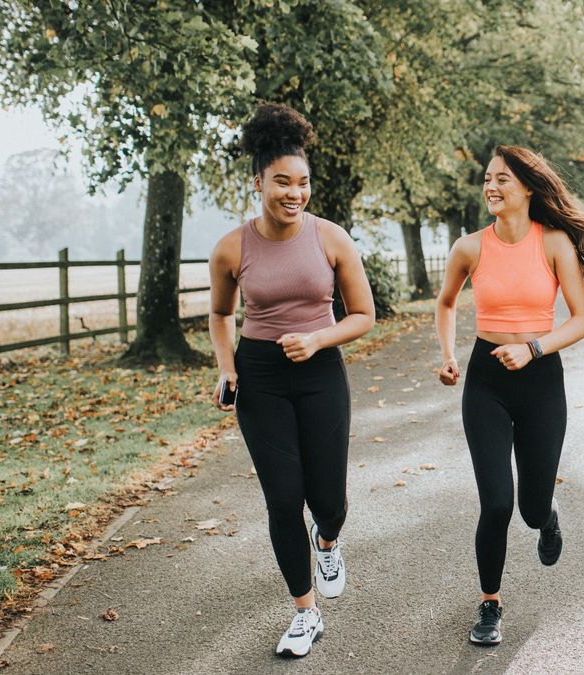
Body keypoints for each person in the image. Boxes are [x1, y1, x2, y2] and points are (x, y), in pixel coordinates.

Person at [435, 145, 584, 645]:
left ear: (526, 187)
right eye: (487, 179)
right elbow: (446, 303)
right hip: (486, 382)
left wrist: (533, 348)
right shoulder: (470, 247)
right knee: (497, 502)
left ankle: (548, 516)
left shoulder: (555, 244)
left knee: (530, 506)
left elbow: (582, 320)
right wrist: (448, 355)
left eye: (502, 179)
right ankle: (489, 605)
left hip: (541, 380)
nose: (491, 187)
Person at [208, 103, 375, 657]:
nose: (294, 193)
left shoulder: (330, 238)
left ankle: (327, 540)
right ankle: (305, 613)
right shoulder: (233, 248)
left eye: (302, 182)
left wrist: (319, 339)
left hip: (321, 371)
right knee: (283, 498)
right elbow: (220, 313)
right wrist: (228, 367)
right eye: (282, 181)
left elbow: (363, 315)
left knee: (329, 499)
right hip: (261, 377)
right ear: (258, 182)